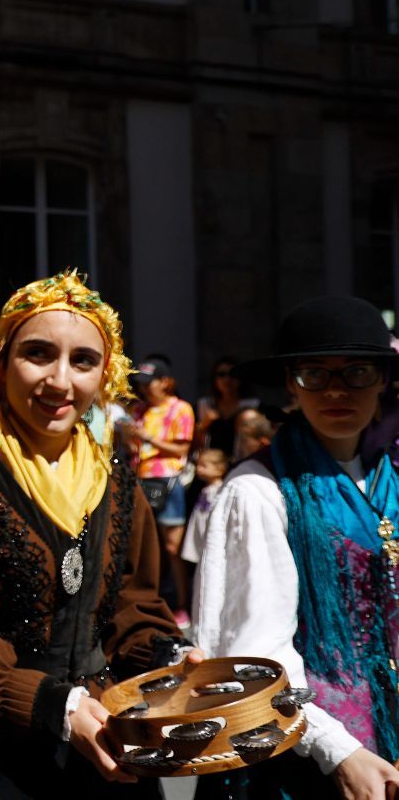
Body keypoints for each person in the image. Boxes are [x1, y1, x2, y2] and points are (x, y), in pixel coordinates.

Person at [0, 272, 196, 799]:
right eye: (39, 354)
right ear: (0, 364)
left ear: (106, 373)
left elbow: (130, 605)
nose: (60, 381)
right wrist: (41, 699)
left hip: (107, 749)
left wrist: (168, 656)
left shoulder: (114, 481)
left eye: (83, 361)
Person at [194, 296, 399, 799]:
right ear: (290, 384)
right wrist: (337, 750)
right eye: (314, 374)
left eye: (356, 373)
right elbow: (253, 655)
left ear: (383, 380)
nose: (335, 390)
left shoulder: (389, 479)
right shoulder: (258, 489)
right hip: (304, 756)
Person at [127, 356, 195, 624]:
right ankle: (148, 598)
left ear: (166, 382)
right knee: (144, 544)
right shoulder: (138, 410)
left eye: (149, 383)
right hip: (140, 481)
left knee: (171, 546)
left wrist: (149, 439)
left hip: (168, 483)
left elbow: (182, 449)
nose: (144, 389)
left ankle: (182, 604)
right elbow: (135, 448)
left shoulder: (181, 409)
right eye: (141, 384)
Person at [195, 357, 259, 454]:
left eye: (233, 374)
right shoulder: (204, 405)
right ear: (214, 379)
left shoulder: (253, 406)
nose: (227, 379)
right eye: (221, 374)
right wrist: (203, 424)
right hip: (210, 463)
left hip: (241, 463)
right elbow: (192, 442)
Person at [179, 448, 227, 568]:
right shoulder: (205, 489)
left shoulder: (220, 491)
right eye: (198, 465)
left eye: (204, 466)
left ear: (219, 469)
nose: (198, 469)